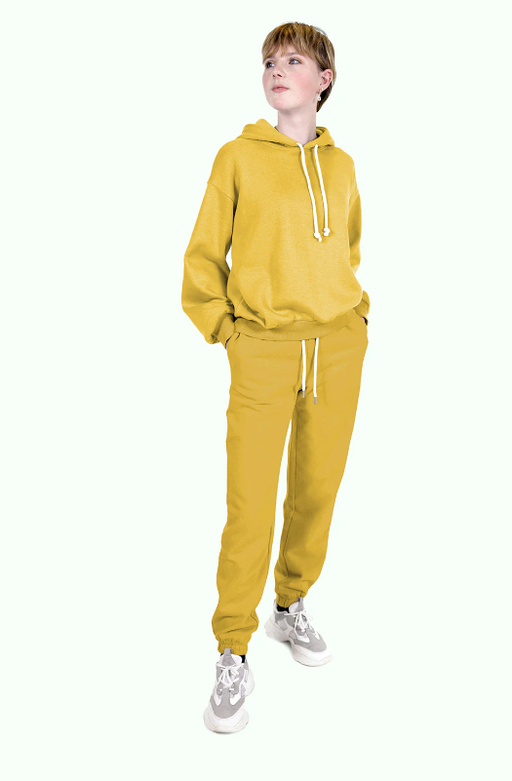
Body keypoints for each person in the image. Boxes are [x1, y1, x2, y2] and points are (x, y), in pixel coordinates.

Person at [181, 21, 370, 733]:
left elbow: (347, 249)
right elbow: (203, 254)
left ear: (324, 80)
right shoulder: (237, 157)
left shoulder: (342, 166)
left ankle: (291, 603)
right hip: (261, 349)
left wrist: (355, 319)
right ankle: (233, 646)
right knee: (251, 502)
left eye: (293, 59)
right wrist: (226, 329)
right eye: (269, 60)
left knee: (318, 489)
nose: (277, 69)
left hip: (336, 347)